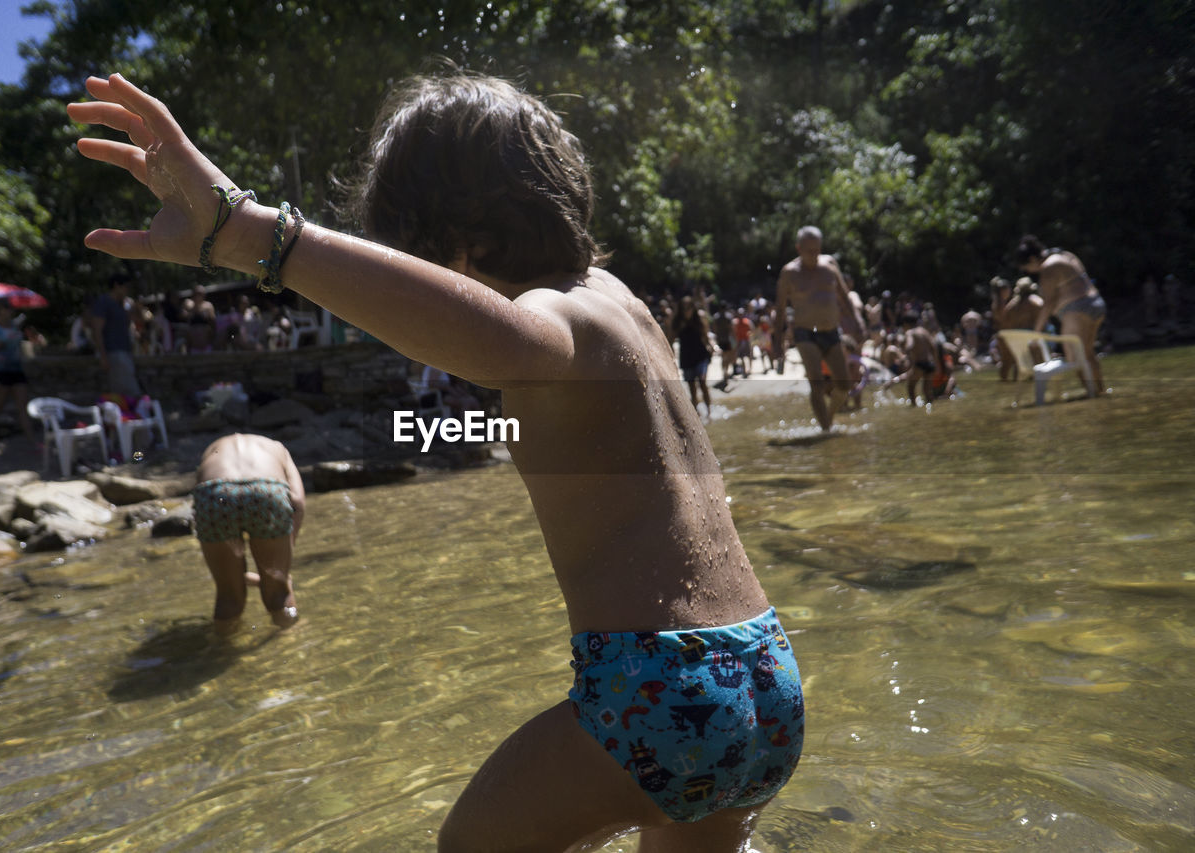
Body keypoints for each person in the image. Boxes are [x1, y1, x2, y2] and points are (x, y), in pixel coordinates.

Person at [70, 71, 803, 850]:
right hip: (766, 674)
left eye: (418, 263)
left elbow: (501, 342)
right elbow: (594, 451)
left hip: (661, 686)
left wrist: (255, 236)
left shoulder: (547, 319)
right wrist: (427, 441)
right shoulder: (626, 308)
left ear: (469, 245)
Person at [193, 433, 305, 634]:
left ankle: (219, 650)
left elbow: (201, 496)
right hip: (266, 489)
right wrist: (284, 562)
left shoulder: (212, 448)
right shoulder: (277, 446)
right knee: (279, 594)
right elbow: (297, 500)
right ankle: (291, 643)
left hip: (215, 492)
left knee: (228, 597)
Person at [775, 226, 862, 431]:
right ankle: (826, 430)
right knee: (817, 384)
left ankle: (828, 417)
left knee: (844, 386)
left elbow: (844, 295)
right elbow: (779, 310)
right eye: (809, 251)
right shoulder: (789, 273)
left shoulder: (830, 265)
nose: (814, 255)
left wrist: (858, 320)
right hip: (805, 333)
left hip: (831, 332)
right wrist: (778, 342)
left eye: (817, 250)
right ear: (799, 248)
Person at [1019, 235, 1106, 393]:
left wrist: (1036, 332)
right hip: (1096, 304)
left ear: (1032, 259)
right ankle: (1101, 392)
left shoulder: (1048, 267)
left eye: (1026, 267)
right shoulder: (1066, 255)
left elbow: (1048, 303)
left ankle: (1091, 396)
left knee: (1076, 358)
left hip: (1077, 310)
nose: (1027, 271)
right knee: (1087, 353)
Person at [0, 297, 37, 454]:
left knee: (23, 408)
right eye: (5, 307)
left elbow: (23, 347)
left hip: (16, 370)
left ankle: (33, 442)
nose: (9, 309)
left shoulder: (16, 326)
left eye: (10, 307)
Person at [90, 271, 143, 396]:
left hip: (125, 351)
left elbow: (138, 320)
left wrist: (137, 306)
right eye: (126, 287)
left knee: (125, 393)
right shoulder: (103, 302)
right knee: (129, 393)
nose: (127, 290)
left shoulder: (123, 305)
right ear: (116, 285)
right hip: (113, 352)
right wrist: (103, 356)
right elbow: (97, 330)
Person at [672, 295, 715, 417]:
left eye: (689, 308)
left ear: (693, 308)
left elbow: (705, 336)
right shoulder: (678, 322)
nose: (687, 311)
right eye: (684, 308)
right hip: (686, 356)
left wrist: (711, 347)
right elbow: (670, 339)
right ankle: (696, 413)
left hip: (701, 354)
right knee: (692, 387)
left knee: (702, 382)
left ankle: (709, 411)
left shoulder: (699, 319)